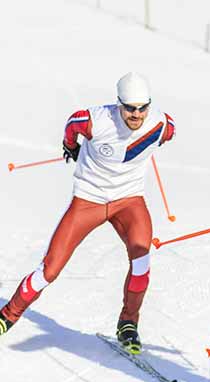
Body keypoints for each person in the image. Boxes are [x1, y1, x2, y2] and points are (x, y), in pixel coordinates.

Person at [0, 72, 176, 354]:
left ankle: (128, 324)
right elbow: (73, 125)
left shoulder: (161, 123)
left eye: (142, 107)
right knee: (50, 269)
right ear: (119, 104)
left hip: (128, 201)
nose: (136, 114)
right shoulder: (95, 120)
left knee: (142, 261)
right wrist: (71, 145)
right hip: (88, 200)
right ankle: (7, 315)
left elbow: (168, 132)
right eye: (130, 107)